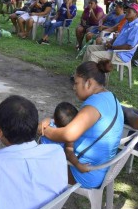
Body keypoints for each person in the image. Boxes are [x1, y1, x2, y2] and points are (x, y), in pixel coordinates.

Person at [41, 60, 123, 188]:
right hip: (101, 168)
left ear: (89, 83)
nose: (74, 88)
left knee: (43, 140)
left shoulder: (94, 104)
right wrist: (51, 121)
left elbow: (68, 134)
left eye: (76, 83)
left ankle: (39, 183)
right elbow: (76, 122)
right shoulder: (109, 97)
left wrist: (45, 130)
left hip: (86, 174)